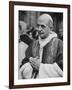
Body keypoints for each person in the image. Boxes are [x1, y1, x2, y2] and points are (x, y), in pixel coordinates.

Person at [20, 14, 63, 79]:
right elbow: (23, 64)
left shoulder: (59, 44)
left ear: (51, 27)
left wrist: (41, 67)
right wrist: (31, 65)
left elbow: (63, 68)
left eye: (43, 26)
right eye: (38, 26)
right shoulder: (33, 44)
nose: (39, 29)